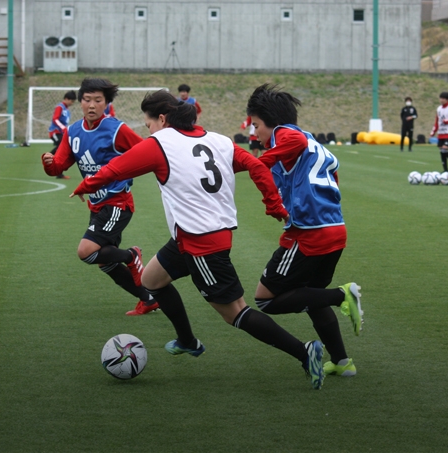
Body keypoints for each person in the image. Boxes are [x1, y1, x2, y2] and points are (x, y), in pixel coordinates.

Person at [71, 90, 326, 389]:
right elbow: (257, 165)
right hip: (191, 235)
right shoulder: (218, 140)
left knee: (236, 314)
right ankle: (187, 340)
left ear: (162, 119)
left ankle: (304, 352)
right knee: (151, 280)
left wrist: (84, 186)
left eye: (148, 124)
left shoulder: (160, 143)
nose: (148, 130)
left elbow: (116, 169)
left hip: (201, 243)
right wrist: (274, 205)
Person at [245, 84, 364, 378]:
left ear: (270, 121)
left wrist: (261, 162)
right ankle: (342, 361)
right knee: (310, 296)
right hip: (334, 229)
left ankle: (342, 295)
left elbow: (289, 145)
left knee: (266, 299)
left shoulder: (286, 135)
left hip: (309, 235)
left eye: (256, 125)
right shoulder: (310, 141)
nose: (255, 132)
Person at [41, 78, 158, 317]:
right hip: (97, 205)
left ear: (106, 103)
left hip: (118, 203)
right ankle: (148, 299)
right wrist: (49, 164)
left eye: (98, 100)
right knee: (106, 263)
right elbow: (59, 166)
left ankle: (131, 255)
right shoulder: (72, 131)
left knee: (86, 252)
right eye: (87, 100)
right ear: (80, 102)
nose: (91, 105)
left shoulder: (116, 129)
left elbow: (148, 152)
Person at [48, 90, 76, 180]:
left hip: (61, 132)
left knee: (63, 150)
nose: (72, 103)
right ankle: (48, 157)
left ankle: (58, 172)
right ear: (66, 99)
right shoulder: (60, 107)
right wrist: (63, 128)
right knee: (61, 148)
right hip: (55, 132)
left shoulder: (66, 110)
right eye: (71, 101)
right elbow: (55, 119)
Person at [430, 92, 448, 174]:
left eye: (443, 98)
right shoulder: (439, 109)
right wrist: (433, 130)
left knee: (444, 150)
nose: (441, 100)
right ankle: (446, 170)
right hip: (441, 133)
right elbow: (437, 121)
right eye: (440, 98)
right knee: (442, 152)